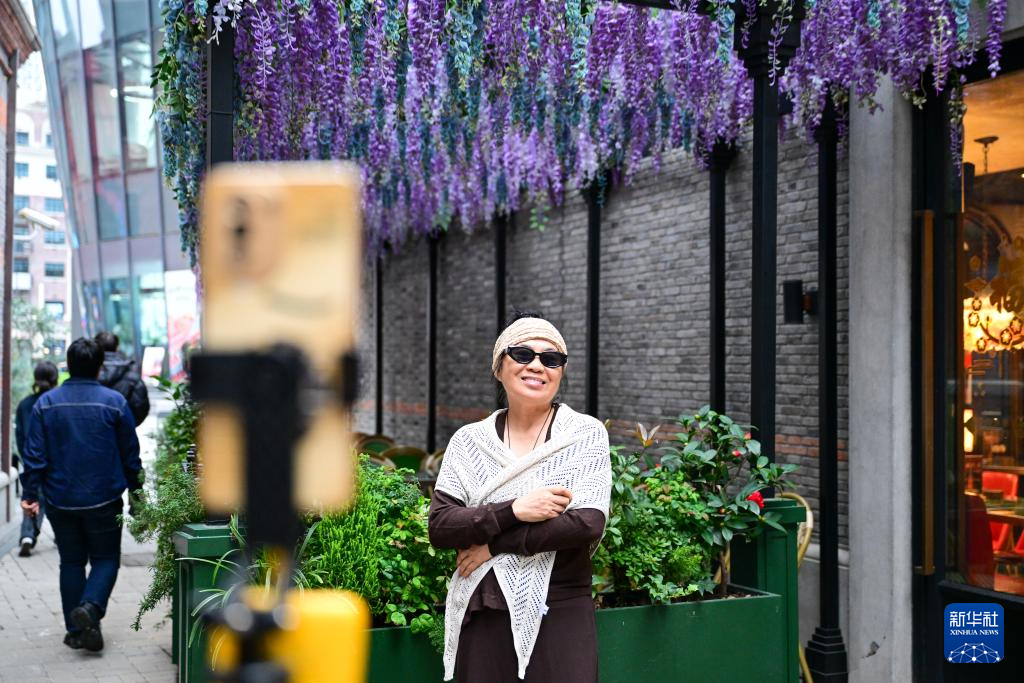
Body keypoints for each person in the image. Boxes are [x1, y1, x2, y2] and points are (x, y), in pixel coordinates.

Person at [429, 313, 612, 682]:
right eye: (523, 354)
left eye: (551, 358)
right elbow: (442, 526)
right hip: (484, 609)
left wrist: (494, 546)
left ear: (560, 371)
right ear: (499, 366)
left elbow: (586, 523)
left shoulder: (584, 435)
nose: (537, 366)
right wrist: (514, 510)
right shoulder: (469, 442)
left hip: (560, 609)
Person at [21, 337, 142, 653]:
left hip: (60, 499)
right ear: (100, 367)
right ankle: (90, 608)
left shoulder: (46, 404)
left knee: (71, 562)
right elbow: (131, 455)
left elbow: (34, 455)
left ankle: (77, 630)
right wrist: (137, 494)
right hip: (105, 499)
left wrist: (30, 494)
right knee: (106, 559)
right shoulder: (115, 402)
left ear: (68, 365)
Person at [14, 361, 59, 557]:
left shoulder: (25, 404)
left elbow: (20, 436)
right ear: (55, 379)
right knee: (56, 500)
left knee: (32, 497)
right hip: (56, 463)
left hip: (32, 461)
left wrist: (26, 458)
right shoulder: (57, 403)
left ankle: (27, 535)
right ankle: (62, 535)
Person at [95, 330, 150, 426]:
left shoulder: (85, 370)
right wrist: (125, 427)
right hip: (122, 429)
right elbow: (140, 406)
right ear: (117, 347)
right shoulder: (131, 373)